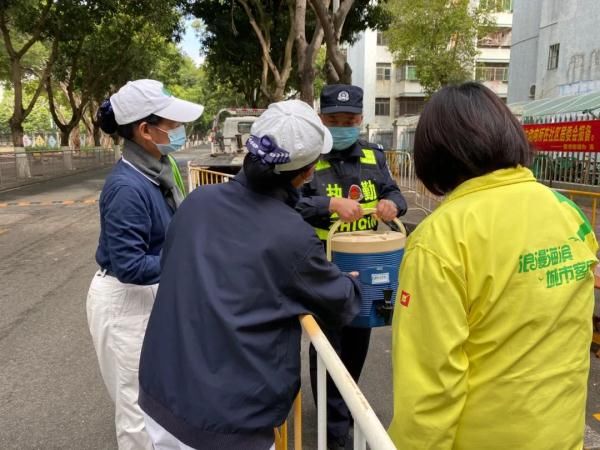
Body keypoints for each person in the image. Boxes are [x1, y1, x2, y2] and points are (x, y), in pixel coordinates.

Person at [138, 99, 362, 450]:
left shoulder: (198, 202)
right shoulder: (291, 236)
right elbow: (341, 303)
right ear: (307, 172)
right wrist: (351, 281)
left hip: (161, 400)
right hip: (228, 424)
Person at [388, 82, 598, 449]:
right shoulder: (568, 213)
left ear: (435, 154)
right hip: (561, 436)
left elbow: (430, 388)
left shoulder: (441, 237)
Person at [86, 79, 203, 450]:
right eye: (172, 125)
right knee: (137, 410)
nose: (179, 132)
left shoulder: (160, 167)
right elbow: (130, 265)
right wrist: (185, 259)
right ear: (145, 130)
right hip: (125, 301)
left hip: (148, 294)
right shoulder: (127, 188)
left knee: (159, 398)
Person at [296, 84, 407, 449]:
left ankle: (344, 403)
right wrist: (329, 206)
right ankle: (336, 428)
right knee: (327, 346)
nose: (342, 126)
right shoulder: (308, 156)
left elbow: (394, 192)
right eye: (333, 120)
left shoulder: (374, 155)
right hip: (323, 265)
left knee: (358, 337)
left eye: (350, 120)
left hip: (366, 263)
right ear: (320, 119)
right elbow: (290, 202)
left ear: (361, 119)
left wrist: (393, 205)